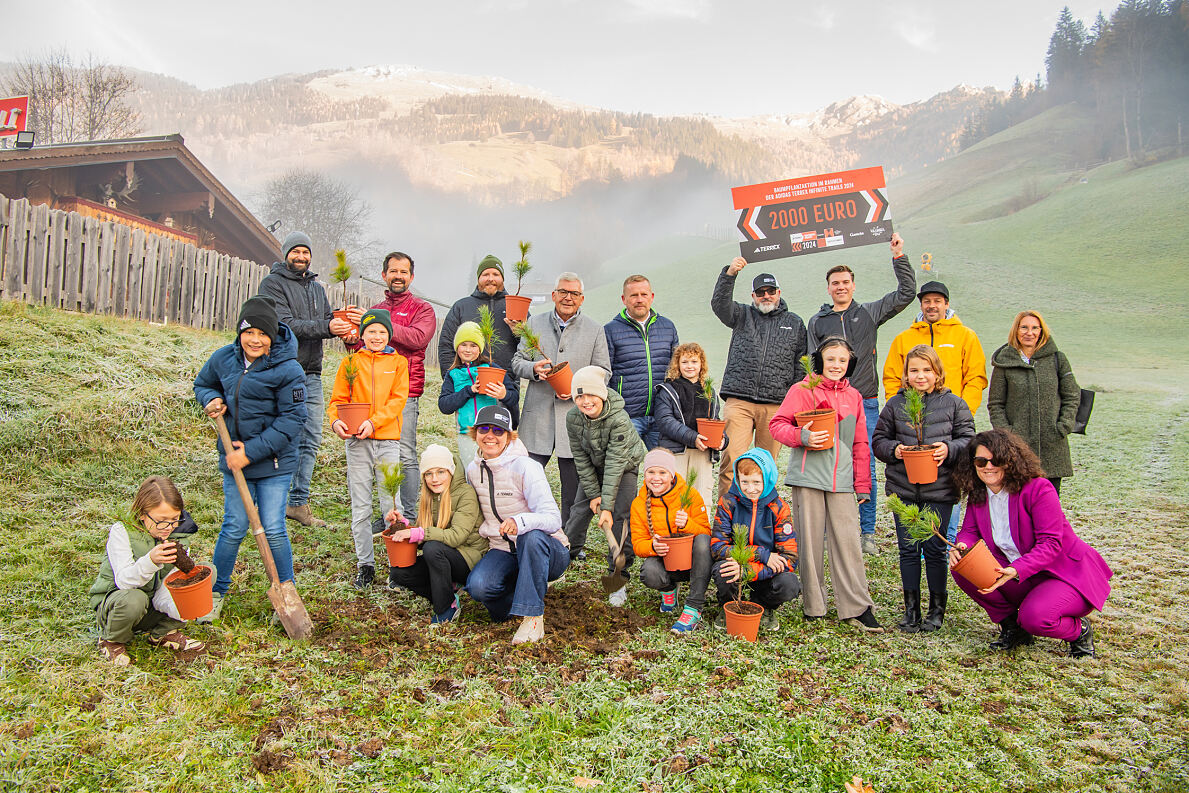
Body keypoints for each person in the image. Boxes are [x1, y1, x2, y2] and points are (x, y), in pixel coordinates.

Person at [193, 296, 306, 623]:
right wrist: (211, 398)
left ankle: (286, 591)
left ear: (273, 335)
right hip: (234, 462)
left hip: (273, 466)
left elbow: (292, 420)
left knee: (273, 527)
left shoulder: (288, 369)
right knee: (234, 526)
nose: (255, 340)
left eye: (262, 333)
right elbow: (203, 383)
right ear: (239, 332)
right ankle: (215, 593)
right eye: (248, 332)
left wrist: (249, 453)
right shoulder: (224, 359)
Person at [949, 429, 1111, 657]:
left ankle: (1079, 631)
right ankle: (1014, 628)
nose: (988, 466)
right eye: (980, 461)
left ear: (1010, 460)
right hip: (1020, 574)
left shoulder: (1039, 489)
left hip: (1062, 574)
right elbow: (969, 532)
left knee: (1035, 618)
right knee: (964, 567)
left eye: (996, 460)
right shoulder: (980, 493)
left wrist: (1016, 569)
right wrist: (961, 547)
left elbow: (1051, 543)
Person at [807, 232, 916, 555]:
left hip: (864, 402)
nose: (840, 287)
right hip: (828, 405)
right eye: (835, 283)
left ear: (853, 286)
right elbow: (813, 367)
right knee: (828, 463)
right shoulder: (818, 321)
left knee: (864, 465)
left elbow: (906, 293)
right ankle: (832, 530)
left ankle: (866, 532)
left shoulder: (868, 313)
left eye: (845, 282)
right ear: (828, 288)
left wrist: (899, 256)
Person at [769, 337, 882, 633]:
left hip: (843, 480)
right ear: (820, 361)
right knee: (809, 542)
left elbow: (860, 442)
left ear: (849, 364)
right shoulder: (802, 390)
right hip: (808, 477)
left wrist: (863, 485)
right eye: (831, 359)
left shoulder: (854, 397)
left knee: (848, 542)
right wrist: (801, 437)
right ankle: (814, 606)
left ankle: (856, 607)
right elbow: (777, 424)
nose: (836, 365)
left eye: (842, 361)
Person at [872, 345, 975, 633]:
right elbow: (879, 440)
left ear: (938, 373)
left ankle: (936, 610)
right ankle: (911, 609)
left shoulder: (954, 404)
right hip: (904, 491)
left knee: (934, 550)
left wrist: (948, 448)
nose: (920, 376)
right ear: (905, 374)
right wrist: (897, 450)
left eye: (927, 370)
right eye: (914, 370)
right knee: (907, 549)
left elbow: (969, 438)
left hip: (940, 490)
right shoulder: (895, 405)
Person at [258, 232, 354, 528]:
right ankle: (269, 503)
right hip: (283, 371)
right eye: (296, 251)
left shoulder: (316, 288)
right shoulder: (272, 284)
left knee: (311, 436)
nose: (301, 256)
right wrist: (327, 326)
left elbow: (326, 321)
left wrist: (346, 331)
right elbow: (285, 325)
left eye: (305, 252)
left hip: (311, 373)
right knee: (281, 436)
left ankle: (297, 503)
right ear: (286, 253)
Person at [882, 280, 987, 541]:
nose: (932, 305)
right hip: (911, 426)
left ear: (947, 304)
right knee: (912, 484)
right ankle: (918, 546)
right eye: (927, 301)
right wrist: (902, 411)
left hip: (951, 421)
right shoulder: (904, 338)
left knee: (948, 481)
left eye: (937, 301)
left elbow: (976, 377)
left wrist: (964, 410)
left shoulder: (965, 336)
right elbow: (891, 377)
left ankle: (946, 542)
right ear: (921, 305)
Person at [510, 273, 610, 531]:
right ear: (553, 295)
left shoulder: (595, 329)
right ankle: (526, 529)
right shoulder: (534, 324)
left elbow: (604, 371)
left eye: (574, 293)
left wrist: (581, 391)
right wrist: (534, 369)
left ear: (582, 299)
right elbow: (517, 361)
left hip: (575, 420)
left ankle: (569, 540)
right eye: (563, 291)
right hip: (538, 417)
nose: (568, 297)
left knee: (574, 489)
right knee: (525, 479)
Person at [464, 405, 571, 644]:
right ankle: (526, 588)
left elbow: (553, 518)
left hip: (547, 549)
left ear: (509, 436)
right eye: (484, 429)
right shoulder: (472, 470)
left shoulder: (525, 466)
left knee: (530, 536)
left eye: (498, 431)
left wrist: (519, 521)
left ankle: (533, 616)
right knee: (479, 588)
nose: (490, 435)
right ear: (475, 433)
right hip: (503, 549)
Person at [350, 252, 437, 523]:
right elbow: (362, 352)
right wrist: (351, 338)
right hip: (373, 395)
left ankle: (409, 514)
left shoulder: (422, 310)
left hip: (405, 393)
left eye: (403, 272)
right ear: (384, 275)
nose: (398, 276)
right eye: (393, 271)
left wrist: (381, 324)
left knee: (405, 454)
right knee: (379, 454)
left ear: (411, 277)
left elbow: (418, 339)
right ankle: (389, 513)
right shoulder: (376, 308)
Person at [328, 308, 411, 589]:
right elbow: (338, 400)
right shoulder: (350, 363)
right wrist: (335, 421)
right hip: (357, 443)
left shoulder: (398, 363)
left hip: (387, 439)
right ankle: (366, 565)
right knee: (361, 505)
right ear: (362, 334)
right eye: (371, 331)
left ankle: (398, 567)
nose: (376, 336)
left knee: (392, 503)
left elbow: (398, 400)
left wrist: (374, 423)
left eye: (382, 332)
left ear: (389, 335)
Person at [711, 258, 807, 497]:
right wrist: (730, 273)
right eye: (760, 292)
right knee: (732, 462)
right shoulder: (741, 314)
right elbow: (719, 304)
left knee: (767, 467)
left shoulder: (794, 322)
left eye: (771, 291)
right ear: (753, 295)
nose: (766, 296)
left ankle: (761, 520)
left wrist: (793, 403)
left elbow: (801, 365)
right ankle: (727, 519)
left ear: (779, 293)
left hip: (775, 405)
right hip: (739, 401)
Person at [88, 476, 206, 666]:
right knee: (134, 599)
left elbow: (166, 591)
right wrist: (151, 561)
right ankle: (112, 639)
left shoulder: (180, 536)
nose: (169, 527)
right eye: (161, 521)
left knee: (201, 574)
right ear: (142, 513)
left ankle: (164, 633)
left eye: (175, 520)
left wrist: (187, 601)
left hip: (152, 605)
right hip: (119, 605)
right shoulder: (122, 531)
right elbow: (124, 582)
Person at [564, 365, 647, 606]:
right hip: (593, 465)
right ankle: (560, 563)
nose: (585, 401)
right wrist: (593, 495)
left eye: (590, 395)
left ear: (601, 394)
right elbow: (580, 457)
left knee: (620, 517)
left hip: (624, 465)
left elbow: (614, 464)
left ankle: (618, 578)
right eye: (579, 396)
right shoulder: (573, 418)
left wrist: (607, 506)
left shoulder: (618, 419)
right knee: (578, 513)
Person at [386, 444, 486, 627]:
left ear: (451, 471)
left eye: (441, 472)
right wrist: (405, 525)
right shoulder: (430, 495)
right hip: (442, 557)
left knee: (432, 549)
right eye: (429, 474)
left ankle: (446, 607)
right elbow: (424, 531)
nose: (435, 479)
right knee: (399, 574)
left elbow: (456, 537)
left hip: (468, 559)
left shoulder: (465, 494)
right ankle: (447, 589)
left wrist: (419, 533)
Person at [988, 310, 1082, 495]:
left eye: (1034, 328)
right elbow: (995, 404)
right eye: (1024, 327)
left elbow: (1072, 394)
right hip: (1017, 447)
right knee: (1019, 502)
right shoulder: (1004, 363)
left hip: (1052, 444)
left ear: (1041, 331)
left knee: (1049, 504)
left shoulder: (1057, 359)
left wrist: (1064, 425)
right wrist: (1008, 435)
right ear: (1016, 330)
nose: (1029, 332)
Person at [709, 449, 800, 630]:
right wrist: (761, 554)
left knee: (789, 583)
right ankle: (728, 605)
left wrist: (749, 570)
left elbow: (789, 558)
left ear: (767, 479)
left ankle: (764, 606)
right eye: (745, 482)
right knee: (722, 570)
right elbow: (717, 547)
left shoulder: (779, 508)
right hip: (736, 567)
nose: (751, 489)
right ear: (737, 479)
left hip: (765, 573)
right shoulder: (728, 502)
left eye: (757, 482)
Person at [630, 448, 712, 634]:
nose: (656, 478)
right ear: (645, 474)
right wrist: (652, 546)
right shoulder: (639, 504)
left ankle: (693, 607)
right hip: (666, 561)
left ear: (672, 474)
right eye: (651, 472)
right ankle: (668, 590)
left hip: (693, 564)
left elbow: (706, 532)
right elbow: (638, 543)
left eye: (662, 472)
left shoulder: (689, 495)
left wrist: (687, 525)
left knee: (702, 542)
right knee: (649, 572)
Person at [437, 255, 523, 426]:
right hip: (469, 389)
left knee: (503, 437)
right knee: (470, 436)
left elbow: (529, 346)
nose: (490, 278)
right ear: (478, 279)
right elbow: (446, 345)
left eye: (496, 274)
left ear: (503, 279)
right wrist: (455, 378)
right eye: (485, 274)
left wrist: (519, 332)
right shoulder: (462, 306)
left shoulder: (514, 307)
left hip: (504, 387)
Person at [604, 275, 679, 450]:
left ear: (651, 297)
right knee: (625, 468)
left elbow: (677, 369)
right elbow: (604, 373)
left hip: (662, 415)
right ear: (624, 299)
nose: (639, 300)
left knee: (664, 468)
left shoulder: (668, 327)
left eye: (644, 294)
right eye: (633, 295)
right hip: (626, 416)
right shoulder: (610, 330)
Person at [653, 342, 728, 506]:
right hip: (677, 451)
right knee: (675, 497)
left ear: (701, 364)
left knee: (702, 498)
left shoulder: (708, 391)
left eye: (694, 361)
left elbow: (714, 420)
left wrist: (722, 440)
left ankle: (701, 532)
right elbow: (665, 421)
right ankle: (674, 531)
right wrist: (692, 437)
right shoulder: (667, 390)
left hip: (703, 453)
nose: (689, 366)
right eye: (684, 362)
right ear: (677, 365)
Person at [439, 321, 521, 466]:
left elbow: (513, 397)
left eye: (473, 345)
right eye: (464, 345)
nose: (468, 350)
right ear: (457, 347)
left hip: (493, 434)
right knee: (472, 473)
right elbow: (444, 406)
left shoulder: (491, 368)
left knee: (496, 472)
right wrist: (469, 391)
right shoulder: (453, 374)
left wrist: (503, 395)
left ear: (480, 348)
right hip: (467, 434)